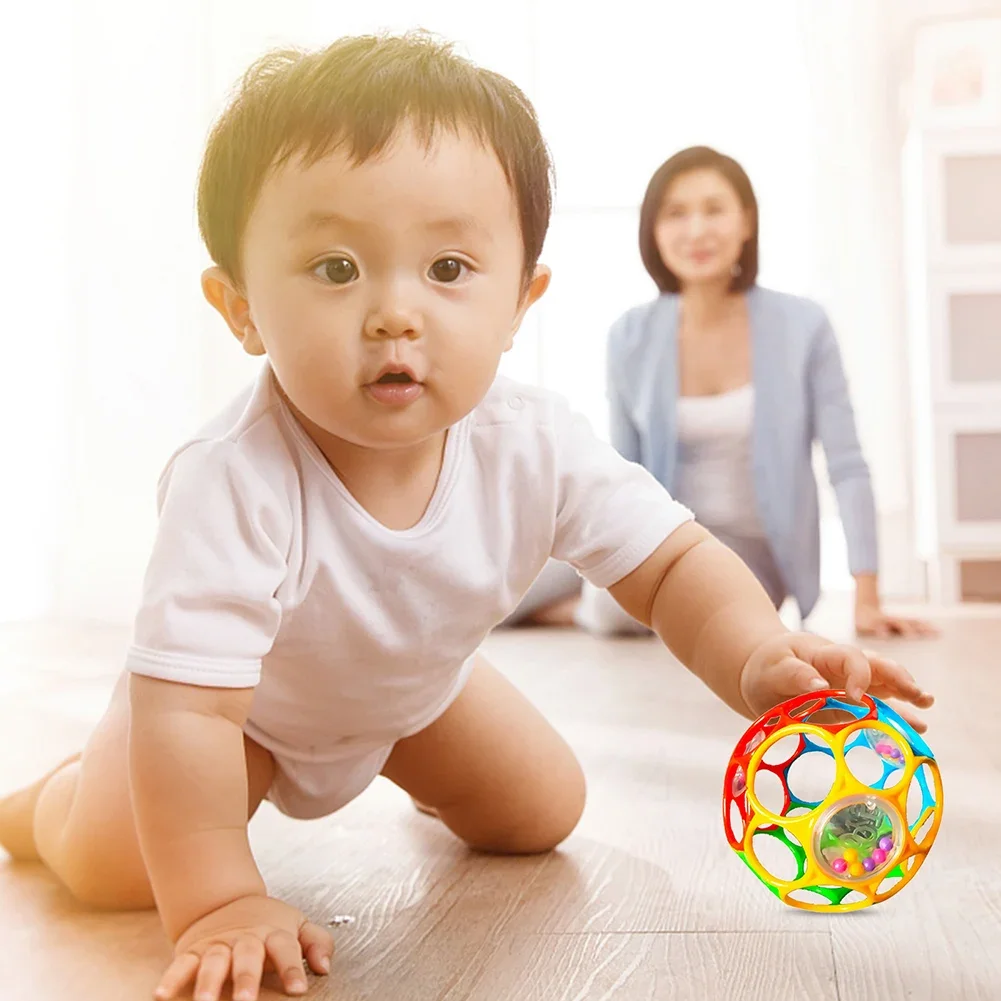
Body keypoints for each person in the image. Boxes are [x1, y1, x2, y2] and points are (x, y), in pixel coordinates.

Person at [0, 38, 933, 1001]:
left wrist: (752, 651)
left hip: (414, 695)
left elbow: (670, 564)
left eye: (447, 266)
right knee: (115, 867)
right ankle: (38, 804)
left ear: (521, 300)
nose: (393, 312)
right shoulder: (230, 479)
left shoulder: (533, 441)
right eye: (334, 267)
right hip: (240, 716)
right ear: (239, 308)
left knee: (541, 812)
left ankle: (407, 751)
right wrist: (219, 901)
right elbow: (191, 711)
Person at [513, 146, 939, 640]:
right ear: (653, 230)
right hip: (659, 536)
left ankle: (584, 610)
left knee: (623, 609)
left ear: (746, 222)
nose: (696, 230)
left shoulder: (804, 326)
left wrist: (867, 599)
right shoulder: (629, 336)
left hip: (752, 555)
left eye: (714, 209)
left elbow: (846, 464)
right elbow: (621, 476)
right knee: (498, 584)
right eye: (676, 213)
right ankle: (568, 604)